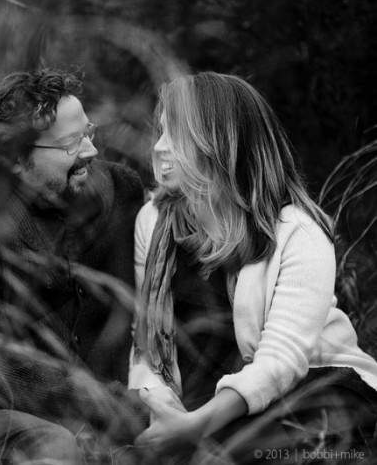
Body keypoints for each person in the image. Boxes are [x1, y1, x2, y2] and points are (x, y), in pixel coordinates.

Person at [129, 72, 377, 463]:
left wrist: (196, 426)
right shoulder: (153, 221)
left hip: (307, 387)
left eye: (174, 135)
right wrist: (161, 405)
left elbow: (281, 362)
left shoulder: (297, 233)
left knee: (241, 448)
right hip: (206, 399)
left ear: (218, 143)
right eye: (160, 132)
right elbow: (145, 338)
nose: (159, 148)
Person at [0, 68, 148, 464]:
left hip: (113, 412)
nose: (91, 151)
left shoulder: (120, 191)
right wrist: (100, 405)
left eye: (88, 132)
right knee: (56, 447)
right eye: (72, 143)